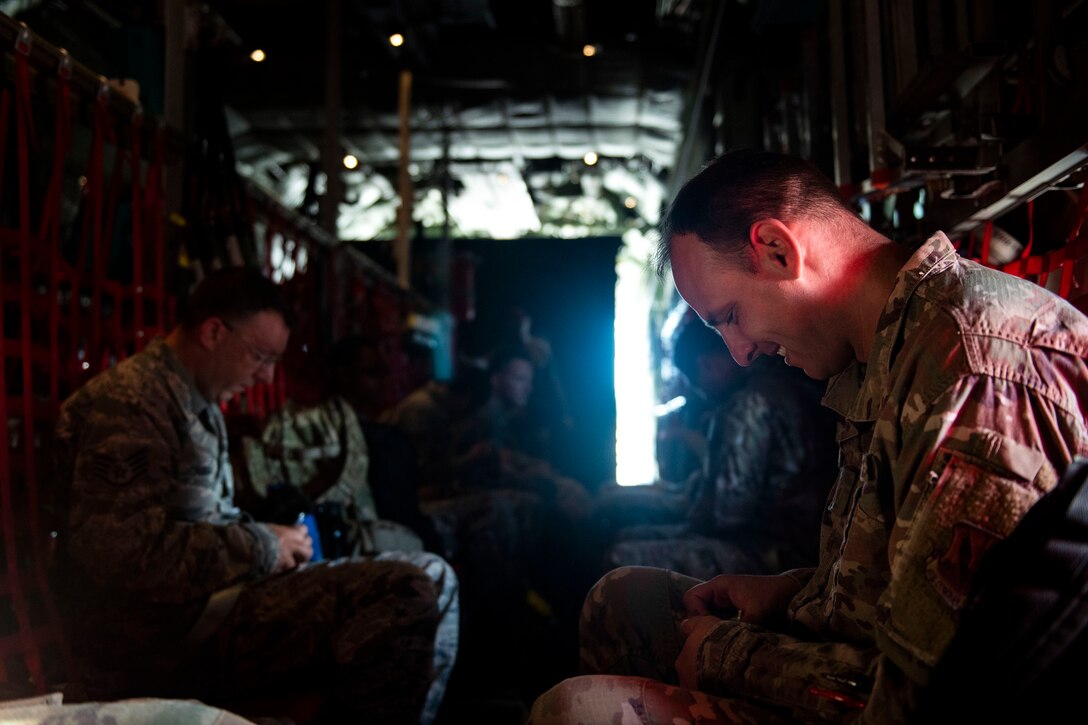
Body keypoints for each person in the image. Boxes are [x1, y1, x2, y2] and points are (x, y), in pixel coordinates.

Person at [529, 148, 1088, 723]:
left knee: (574, 711)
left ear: (777, 250)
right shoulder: (877, 353)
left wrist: (730, 657)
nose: (740, 354)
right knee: (623, 601)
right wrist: (795, 593)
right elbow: (892, 585)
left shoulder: (971, 366)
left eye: (728, 317)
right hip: (880, 672)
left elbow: (934, 691)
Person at [53, 267, 458, 724]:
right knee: (410, 587)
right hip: (164, 640)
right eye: (259, 356)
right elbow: (120, 557)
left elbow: (197, 523)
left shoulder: (191, 400)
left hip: (210, 610)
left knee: (430, 574)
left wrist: (268, 535)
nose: (267, 376)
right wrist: (262, 546)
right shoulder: (130, 405)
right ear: (212, 332)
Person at [597, 315, 838, 580]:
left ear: (706, 365)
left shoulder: (749, 405)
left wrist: (683, 518)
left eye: (697, 379)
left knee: (620, 558)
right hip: (802, 543)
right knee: (629, 534)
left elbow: (725, 514)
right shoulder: (787, 385)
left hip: (775, 555)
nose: (702, 390)